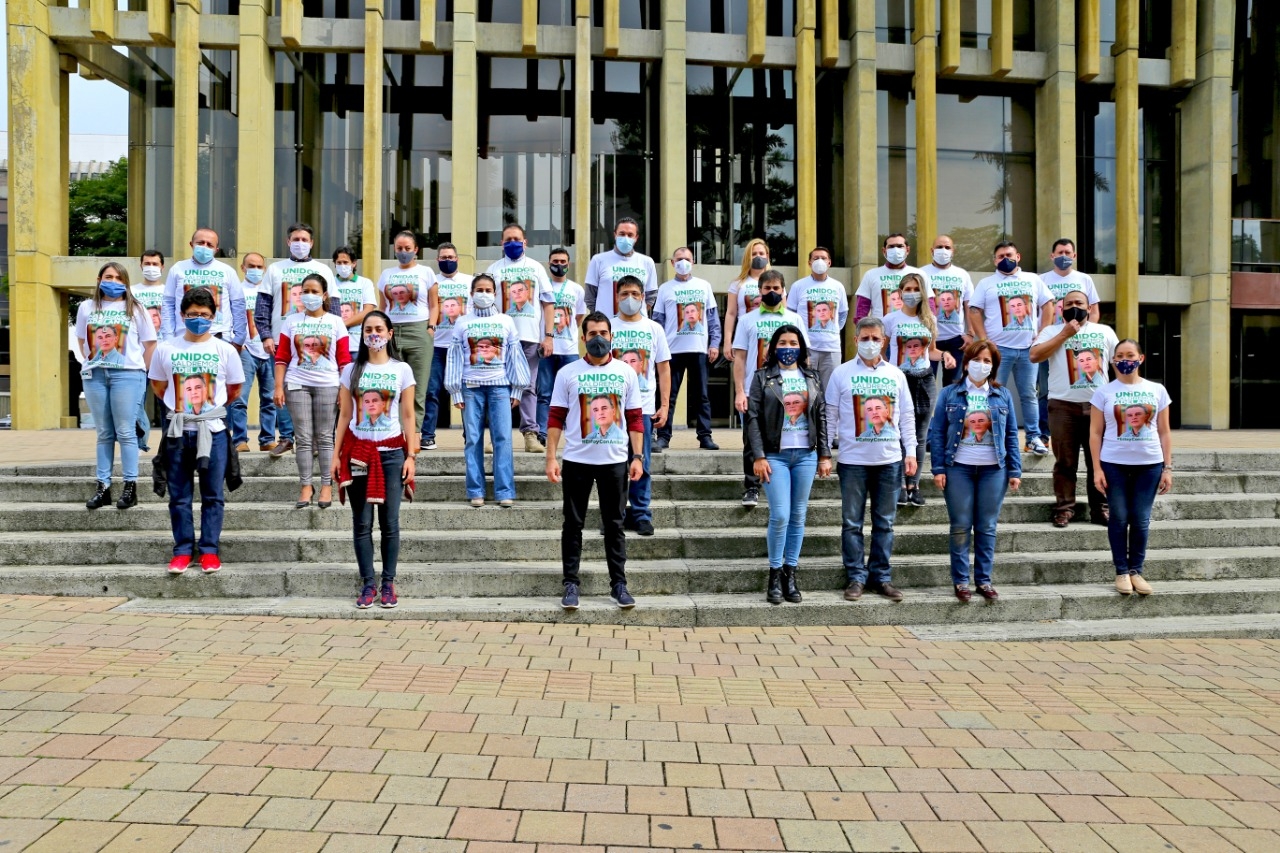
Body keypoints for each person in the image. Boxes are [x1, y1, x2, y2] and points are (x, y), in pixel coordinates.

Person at [546, 312, 645, 611]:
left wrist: (637, 456)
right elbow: (555, 418)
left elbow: (635, 418)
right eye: (592, 334)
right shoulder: (568, 373)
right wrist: (551, 456)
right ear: (583, 337)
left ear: (612, 336)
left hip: (614, 461)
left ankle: (619, 584)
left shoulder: (626, 373)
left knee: (615, 524)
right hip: (577, 460)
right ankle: (570, 584)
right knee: (572, 525)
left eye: (604, 332)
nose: (598, 338)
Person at [149, 287, 245, 574]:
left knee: (213, 494)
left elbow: (234, 389)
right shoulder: (166, 348)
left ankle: (209, 550)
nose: (198, 319)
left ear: (214, 317)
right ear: (182, 315)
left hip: (213, 432)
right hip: (178, 433)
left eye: (204, 315)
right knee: (179, 495)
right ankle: (182, 550)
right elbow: (158, 385)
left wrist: (208, 409)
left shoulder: (224, 349)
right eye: (192, 314)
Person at [826, 317, 916, 602]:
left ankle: (881, 576)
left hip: (889, 460)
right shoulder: (841, 374)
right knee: (852, 522)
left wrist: (910, 451)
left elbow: (908, 417)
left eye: (875, 338)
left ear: (884, 341)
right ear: (855, 340)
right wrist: (825, 453)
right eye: (864, 338)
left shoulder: (896, 375)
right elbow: (829, 415)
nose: (870, 343)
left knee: (885, 523)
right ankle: (855, 577)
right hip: (853, 461)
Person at [332, 310, 417, 610]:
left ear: (390, 333)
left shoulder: (402, 370)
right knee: (362, 523)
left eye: (379, 328)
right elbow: (344, 415)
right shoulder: (351, 371)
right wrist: (335, 454)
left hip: (392, 454)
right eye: (368, 329)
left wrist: (412, 456)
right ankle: (368, 584)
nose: (373, 334)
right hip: (358, 455)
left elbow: (408, 415)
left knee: (390, 523)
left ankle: (388, 584)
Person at [929, 341, 1023, 602]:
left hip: (994, 470)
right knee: (960, 525)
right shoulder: (949, 393)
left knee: (987, 526)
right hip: (958, 468)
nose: (982, 365)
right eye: (977, 359)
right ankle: (961, 581)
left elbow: (1011, 434)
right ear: (967, 362)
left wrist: (1015, 469)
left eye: (988, 361)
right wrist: (938, 468)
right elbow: (937, 433)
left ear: (993, 366)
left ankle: (983, 580)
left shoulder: (1002, 395)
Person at [745, 325, 832, 605]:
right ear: (773, 347)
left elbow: (821, 413)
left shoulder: (812, 376)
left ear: (801, 347)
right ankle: (774, 572)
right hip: (775, 455)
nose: (788, 346)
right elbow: (753, 419)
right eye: (782, 342)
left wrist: (825, 454)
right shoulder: (763, 377)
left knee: (798, 515)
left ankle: (790, 573)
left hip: (805, 455)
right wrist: (758, 456)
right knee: (780, 515)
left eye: (793, 342)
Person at [1089, 339, 1173, 596]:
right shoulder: (1103, 392)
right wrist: (1097, 469)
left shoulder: (1157, 390)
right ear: (1113, 361)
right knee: (1119, 517)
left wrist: (1167, 468)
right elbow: (1094, 433)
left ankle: (1136, 570)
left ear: (1141, 358)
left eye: (1130, 355)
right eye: (1120, 356)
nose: (1125, 360)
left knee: (1140, 519)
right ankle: (1121, 572)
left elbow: (1165, 432)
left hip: (1149, 465)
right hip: (1113, 463)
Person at [1029, 288, 1119, 528]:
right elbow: (1034, 356)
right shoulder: (1051, 331)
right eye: (1068, 303)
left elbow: (1118, 364)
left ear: (1089, 308)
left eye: (1079, 302)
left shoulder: (1105, 332)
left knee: (1098, 461)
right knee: (1065, 462)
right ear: (1061, 308)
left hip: (1099, 408)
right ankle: (1064, 508)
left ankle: (1100, 509)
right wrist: (1064, 335)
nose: (1074, 306)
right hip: (1062, 407)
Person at [77, 262, 158, 511]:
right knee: (104, 433)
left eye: (119, 278)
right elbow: (82, 340)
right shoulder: (86, 307)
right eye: (108, 276)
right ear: (99, 278)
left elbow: (150, 344)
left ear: (126, 282)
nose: (113, 281)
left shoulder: (136, 308)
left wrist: (141, 373)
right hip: (96, 375)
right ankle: (103, 487)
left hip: (128, 375)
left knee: (125, 432)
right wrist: (92, 360)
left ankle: (130, 486)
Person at [446, 274, 529, 508]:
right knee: (473, 440)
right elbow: (454, 358)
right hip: (470, 389)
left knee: (503, 438)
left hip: (500, 387)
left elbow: (514, 356)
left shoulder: (506, 320)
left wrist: (518, 389)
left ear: (495, 293)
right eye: (479, 289)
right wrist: (455, 390)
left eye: (488, 289)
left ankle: (504, 490)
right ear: (471, 294)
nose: (484, 293)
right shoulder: (462, 322)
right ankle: (476, 490)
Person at [969, 241, 1055, 456]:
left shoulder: (1033, 280)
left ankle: (1033, 437)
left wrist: (1043, 333)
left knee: (1029, 394)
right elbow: (973, 310)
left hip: (1028, 349)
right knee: (993, 393)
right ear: (994, 260)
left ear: (1018, 256)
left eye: (1008, 254)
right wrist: (984, 340)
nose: (1004, 259)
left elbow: (1048, 304)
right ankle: (992, 434)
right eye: (999, 256)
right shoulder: (987, 283)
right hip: (999, 351)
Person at [273, 273, 351, 509]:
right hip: (297, 384)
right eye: (305, 290)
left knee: (326, 438)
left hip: (328, 384)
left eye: (315, 291)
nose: (309, 295)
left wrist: (343, 390)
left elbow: (344, 360)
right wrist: (278, 386)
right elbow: (282, 356)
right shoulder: (291, 320)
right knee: (304, 438)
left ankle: (327, 484)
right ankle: (306, 485)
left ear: (324, 295)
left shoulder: (336, 322)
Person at [732, 270, 808, 507]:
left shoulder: (795, 320)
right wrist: (739, 391)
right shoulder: (747, 320)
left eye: (777, 288)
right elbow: (740, 359)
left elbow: (805, 358)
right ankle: (752, 487)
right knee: (751, 438)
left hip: (791, 390)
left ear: (783, 291)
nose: (772, 292)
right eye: (767, 288)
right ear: (760, 291)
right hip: (756, 389)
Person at [881, 272, 955, 506]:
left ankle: (914, 484)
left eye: (916, 289)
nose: (911, 293)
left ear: (923, 292)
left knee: (920, 435)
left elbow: (930, 351)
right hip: (898, 380)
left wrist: (944, 355)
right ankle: (900, 483)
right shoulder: (890, 319)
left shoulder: (929, 319)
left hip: (925, 380)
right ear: (900, 292)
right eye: (907, 289)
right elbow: (882, 352)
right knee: (900, 434)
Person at [485, 223, 554, 453]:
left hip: (530, 337)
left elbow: (548, 303)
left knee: (528, 387)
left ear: (525, 242)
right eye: (508, 240)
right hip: (500, 339)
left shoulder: (536, 268)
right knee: (498, 387)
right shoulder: (493, 270)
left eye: (517, 239)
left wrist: (549, 336)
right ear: (501, 244)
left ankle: (530, 436)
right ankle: (497, 436)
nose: (512, 243)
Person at [611, 276, 671, 536]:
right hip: (611, 409)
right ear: (617, 296)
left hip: (643, 408)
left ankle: (641, 513)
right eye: (624, 293)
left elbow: (663, 367)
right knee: (613, 466)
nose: (630, 299)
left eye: (635, 293)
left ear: (643, 296)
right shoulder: (608, 326)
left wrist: (665, 405)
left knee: (641, 462)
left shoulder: (654, 328)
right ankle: (614, 514)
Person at [652, 247, 721, 450]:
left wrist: (714, 344)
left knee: (702, 395)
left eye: (687, 259)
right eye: (679, 259)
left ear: (693, 262)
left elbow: (712, 318)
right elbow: (658, 321)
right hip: (671, 351)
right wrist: (658, 349)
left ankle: (705, 436)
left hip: (699, 349)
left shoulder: (704, 286)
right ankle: (663, 436)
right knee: (668, 395)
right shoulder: (665, 288)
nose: (683, 262)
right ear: (672, 263)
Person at [374, 230, 438, 438]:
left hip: (419, 331)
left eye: (407, 249)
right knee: (391, 384)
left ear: (416, 250)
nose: (403, 252)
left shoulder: (426, 272)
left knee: (418, 386)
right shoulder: (387, 274)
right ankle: (391, 432)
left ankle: (414, 433)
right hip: (392, 332)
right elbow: (382, 307)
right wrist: (382, 332)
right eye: (399, 249)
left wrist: (431, 327)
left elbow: (434, 305)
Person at [1038, 238, 1102, 436]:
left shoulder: (1084, 279)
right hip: (1051, 342)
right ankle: (1044, 433)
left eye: (1068, 253)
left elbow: (1094, 311)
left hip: (1078, 345)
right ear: (1052, 256)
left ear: (1074, 256)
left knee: (1082, 385)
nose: (1063, 256)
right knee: (1045, 389)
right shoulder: (1042, 280)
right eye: (1060, 253)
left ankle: (1088, 430)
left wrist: (1087, 334)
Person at [161, 228, 246, 352]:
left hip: (219, 338)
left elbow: (238, 306)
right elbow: (168, 304)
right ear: (191, 244)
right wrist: (168, 338)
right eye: (200, 243)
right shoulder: (178, 268)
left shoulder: (227, 271)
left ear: (216, 250)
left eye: (210, 245)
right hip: (182, 339)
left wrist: (238, 339)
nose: (205, 247)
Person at [423, 242, 472, 450]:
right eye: (443, 258)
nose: (447, 261)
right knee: (431, 391)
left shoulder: (470, 282)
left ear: (457, 259)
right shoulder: (431, 282)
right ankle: (427, 435)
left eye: (451, 257)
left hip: (462, 347)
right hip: (437, 346)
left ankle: (471, 434)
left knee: (467, 392)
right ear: (437, 260)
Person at [227, 252, 277, 453]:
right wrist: (238, 343)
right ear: (242, 267)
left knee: (270, 398)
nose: (255, 270)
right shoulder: (236, 290)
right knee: (240, 398)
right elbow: (229, 317)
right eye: (251, 266)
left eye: (259, 266)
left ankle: (267, 439)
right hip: (246, 350)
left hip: (268, 349)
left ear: (264, 269)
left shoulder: (270, 291)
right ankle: (240, 439)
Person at [537, 247, 586, 447]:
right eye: (555, 261)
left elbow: (579, 317)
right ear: (549, 264)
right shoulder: (542, 287)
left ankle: (573, 432)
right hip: (547, 348)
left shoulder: (576, 289)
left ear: (569, 264)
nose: (559, 265)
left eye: (563, 261)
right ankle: (542, 431)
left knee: (572, 393)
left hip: (569, 350)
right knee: (545, 392)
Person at [786, 246, 847, 392]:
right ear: (809, 263)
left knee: (831, 391)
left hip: (832, 349)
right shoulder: (798, 286)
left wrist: (832, 332)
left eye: (823, 258)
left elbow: (843, 314)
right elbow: (790, 315)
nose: (820, 261)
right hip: (806, 349)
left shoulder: (838, 286)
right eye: (816, 258)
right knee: (804, 390)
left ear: (829, 263)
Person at [920, 234, 975, 384]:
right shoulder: (921, 273)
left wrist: (970, 333)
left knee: (954, 386)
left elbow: (969, 304)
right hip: (927, 338)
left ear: (953, 251)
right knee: (926, 384)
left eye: (947, 247)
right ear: (932, 250)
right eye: (939, 247)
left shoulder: (962, 275)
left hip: (956, 340)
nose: (943, 250)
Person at [584, 216, 660, 317]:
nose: (625, 238)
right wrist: (602, 317)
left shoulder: (647, 262)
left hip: (637, 327)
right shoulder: (598, 260)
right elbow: (590, 296)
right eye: (622, 234)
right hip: (607, 325)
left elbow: (651, 296)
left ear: (636, 238)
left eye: (630, 235)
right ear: (615, 235)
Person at [855, 233, 930, 321]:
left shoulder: (919, 274)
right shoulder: (871, 275)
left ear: (907, 250)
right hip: (881, 331)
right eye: (891, 246)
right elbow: (861, 309)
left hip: (912, 331)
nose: (895, 250)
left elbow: (929, 305)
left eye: (900, 246)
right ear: (884, 251)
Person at [722, 238, 770, 358]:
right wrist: (727, 342)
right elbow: (731, 313)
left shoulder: (775, 283)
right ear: (747, 257)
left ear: (767, 256)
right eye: (753, 254)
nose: (758, 256)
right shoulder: (737, 284)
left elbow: (784, 313)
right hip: (745, 337)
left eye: (761, 253)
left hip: (769, 338)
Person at [333, 245, 379, 357]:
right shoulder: (330, 283)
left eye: (345, 262)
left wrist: (342, 324)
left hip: (357, 344)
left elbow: (368, 311)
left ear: (354, 263)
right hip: (334, 343)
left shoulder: (364, 283)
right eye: (339, 262)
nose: (342, 266)